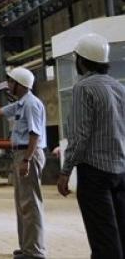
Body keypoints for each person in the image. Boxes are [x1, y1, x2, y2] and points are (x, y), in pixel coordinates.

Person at [58, 33, 125, 259]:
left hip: (95, 175)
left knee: (103, 240)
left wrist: (65, 171)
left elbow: (79, 136)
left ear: (81, 60)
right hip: (121, 171)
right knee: (121, 236)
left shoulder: (83, 88)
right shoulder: (119, 87)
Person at [0, 67, 47, 259]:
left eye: (11, 82)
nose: (8, 85)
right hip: (21, 154)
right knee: (22, 203)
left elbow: (35, 134)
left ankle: (35, 252)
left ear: (21, 85)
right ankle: (27, 247)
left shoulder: (31, 104)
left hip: (28, 153)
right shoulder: (20, 104)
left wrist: (27, 159)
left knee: (31, 203)